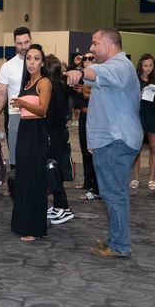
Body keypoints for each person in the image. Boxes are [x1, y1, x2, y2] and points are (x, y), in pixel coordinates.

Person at [65, 28, 143, 258]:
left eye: (95, 43)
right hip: (110, 140)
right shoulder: (114, 68)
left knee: (113, 194)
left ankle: (120, 246)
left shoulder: (120, 66)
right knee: (114, 193)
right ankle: (116, 240)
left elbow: (93, 72)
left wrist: (80, 72)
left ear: (109, 44)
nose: (91, 48)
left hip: (115, 141)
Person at [11, 44, 51, 243]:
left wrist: (23, 103)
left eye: (36, 58)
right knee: (23, 178)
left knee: (34, 180)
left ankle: (34, 227)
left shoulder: (44, 82)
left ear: (42, 63)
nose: (31, 62)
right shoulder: (27, 83)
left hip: (36, 133)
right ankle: (22, 223)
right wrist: (22, 105)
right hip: (25, 131)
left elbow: (43, 110)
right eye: (28, 58)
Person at [0, 27, 32, 177]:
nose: (23, 46)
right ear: (14, 43)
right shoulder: (8, 67)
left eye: (26, 42)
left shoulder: (41, 63)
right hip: (15, 115)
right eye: (20, 43)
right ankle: (16, 184)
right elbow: (1, 94)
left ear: (31, 40)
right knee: (15, 153)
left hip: (37, 114)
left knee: (35, 153)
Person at [130, 54, 155, 191]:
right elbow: (128, 98)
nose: (148, 68)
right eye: (145, 65)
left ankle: (152, 179)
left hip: (154, 115)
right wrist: (138, 96)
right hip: (138, 115)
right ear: (140, 66)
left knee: (154, 147)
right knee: (136, 148)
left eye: (151, 65)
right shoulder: (134, 79)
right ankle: (135, 178)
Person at [44, 54, 73, 225]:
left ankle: (63, 207)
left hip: (53, 133)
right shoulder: (61, 85)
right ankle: (58, 206)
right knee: (54, 169)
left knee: (51, 169)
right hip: (60, 132)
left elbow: (48, 115)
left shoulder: (52, 88)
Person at [72, 52, 99, 200]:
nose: (87, 60)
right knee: (84, 150)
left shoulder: (97, 76)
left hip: (95, 118)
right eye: (85, 58)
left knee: (93, 151)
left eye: (90, 58)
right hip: (83, 117)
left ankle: (96, 185)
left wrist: (83, 89)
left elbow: (90, 94)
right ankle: (87, 182)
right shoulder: (80, 77)